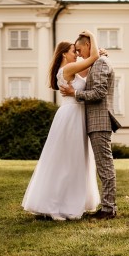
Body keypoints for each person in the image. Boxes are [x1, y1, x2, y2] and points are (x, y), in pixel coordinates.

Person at [21, 32, 101, 220]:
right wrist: (91, 36)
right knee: (66, 160)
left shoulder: (72, 70)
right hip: (71, 116)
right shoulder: (68, 69)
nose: (77, 54)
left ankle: (69, 202)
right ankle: (55, 206)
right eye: (74, 51)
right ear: (64, 53)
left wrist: (99, 54)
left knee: (74, 160)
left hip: (76, 115)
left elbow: (91, 65)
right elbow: (93, 58)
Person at [60, 32, 118, 219]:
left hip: (99, 121)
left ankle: (109, 209)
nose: (79, 54)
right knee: (103, 166)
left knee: (105, 166)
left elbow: (99, 92)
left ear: (87, 45)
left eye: (79, 49)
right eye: (75, 51)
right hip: (94, 121)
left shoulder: (100, 63)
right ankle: (108, 207)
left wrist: (75, 94)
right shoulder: (97, 62)